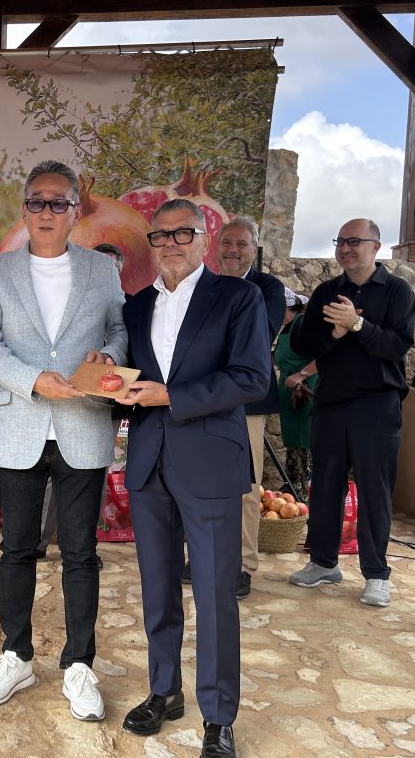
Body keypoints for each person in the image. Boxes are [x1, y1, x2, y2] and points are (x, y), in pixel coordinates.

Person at [0, 160, 127, 722]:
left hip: (83, 424)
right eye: (37, 201)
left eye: (59, 202)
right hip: (21, 423)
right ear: (24, 208)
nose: (47, 212)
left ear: (75, 211)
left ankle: (79, 664)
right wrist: (33, 379)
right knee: (17, 549)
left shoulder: (102, 270)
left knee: (81, 553)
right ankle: (16, 655)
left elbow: (120, 328)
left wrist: (109, 355)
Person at [114, 199, 270, 757]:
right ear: (151, 245)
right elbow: (131, 378)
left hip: (210, 464)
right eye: (161, 236)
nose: (172, 244)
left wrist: (172, 397)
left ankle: (219, 716)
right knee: (158, 589)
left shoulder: (238, 298)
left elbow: (252, 378)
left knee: (214, 594)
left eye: (183, 233)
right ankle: (164, 691)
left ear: (204, 239)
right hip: (149, 462)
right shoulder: (136, 305)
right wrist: (106, 377)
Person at [288, 218, 415, 609]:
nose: (345, 248)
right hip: (330, 403)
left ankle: (376, 574)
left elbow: (397, 346)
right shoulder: (327, 291)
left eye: (354, 241)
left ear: (375, 246)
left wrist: (357, 324)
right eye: (340, 241)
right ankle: (323, 562)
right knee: (325, 486)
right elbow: (304, 343)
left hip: (377, 404)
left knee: (375, 491)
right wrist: (334, 333)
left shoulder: (397, 290)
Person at [35, 242, 126, 565]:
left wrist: (109, 356)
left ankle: (82, 545)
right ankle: (37, 541)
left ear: (119, 270)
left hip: (103, 405)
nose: (105, 270)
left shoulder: (126, 307)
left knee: (93, 478)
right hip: (62, 397)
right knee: (49, 475)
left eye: (112, 265)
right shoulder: (67, 300)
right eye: (99, 263)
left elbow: (126, 345)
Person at [212, 216, 285, 599]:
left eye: (241, 244)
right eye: (227, 243)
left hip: (247, 402)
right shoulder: (204, 286)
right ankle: (206, 557)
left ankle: (242, 565)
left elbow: (259, 334)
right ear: (216, 247)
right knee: (203, 483)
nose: (233, 251)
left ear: (253, 250)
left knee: (245, 486)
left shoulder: (267, 288)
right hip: (205, 397)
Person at [274, 288, 317, 501]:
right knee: (293, 444)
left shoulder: (303, 326)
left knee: (304, 442)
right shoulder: (286, 328)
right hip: (290, 395)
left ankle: (304, 493)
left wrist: (301, 375)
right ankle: (294, 488)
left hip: (305, 393)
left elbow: (323, 357)